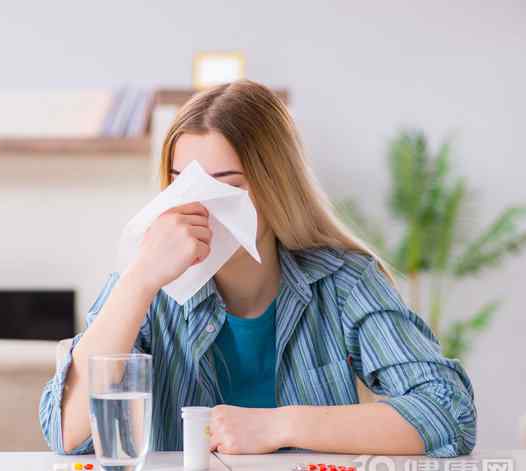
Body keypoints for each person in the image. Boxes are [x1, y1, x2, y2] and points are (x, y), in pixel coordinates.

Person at [39, 80, 476, 457]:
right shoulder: (145, 287)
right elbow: (67, 433)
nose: (198, 204)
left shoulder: (343, 283)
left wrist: (279, 426)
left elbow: (448, 410)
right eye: (180, 182)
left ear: (274, 187)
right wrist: (139, 279)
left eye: (225, 186)